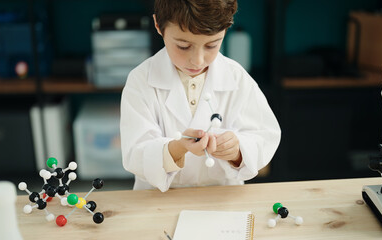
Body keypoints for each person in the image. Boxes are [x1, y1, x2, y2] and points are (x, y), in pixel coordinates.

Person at [120, 0, 281, 192]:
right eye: (183, 46)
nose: (197, 60)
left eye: (212, 45)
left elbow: (264, 136)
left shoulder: (237, 78)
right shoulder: (140, 81)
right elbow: (135, 153)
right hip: (157, 199)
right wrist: (178, 148)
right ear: (158, 26)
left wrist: (236, 150)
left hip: (221, 196)